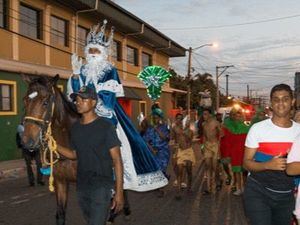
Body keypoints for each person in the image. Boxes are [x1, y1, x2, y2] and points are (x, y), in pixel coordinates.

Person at [67, 20, 167, 192]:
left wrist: (94, 102)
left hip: (105, 108)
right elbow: (75, 94)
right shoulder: (82, 70)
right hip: (83, 105)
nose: (92, 53)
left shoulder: (109, 70)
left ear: (103, 53)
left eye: (96, 50)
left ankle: (115, 173)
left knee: (119, 137)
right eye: (90, 50)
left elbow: (109, 95)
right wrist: (76, 76)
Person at [56, 86, 124, 225]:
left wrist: (119, 192)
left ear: (93, 102)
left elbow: (117, 160)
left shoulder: (105, 126)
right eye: (76, 100)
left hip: (101, 186)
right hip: (82, 187)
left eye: (83, 99)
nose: (78, 102)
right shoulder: (75, 128)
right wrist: (54, 145)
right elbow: (74, 154)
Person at [243, 84, 300, 225]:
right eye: (276, 99)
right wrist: (267, 165)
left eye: (285, 99)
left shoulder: (299, 131)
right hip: (258, 191)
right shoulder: (258, 129)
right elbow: (246, 163)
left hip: (287, 194)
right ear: (271, 103)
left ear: (292, 101)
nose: (281, 103)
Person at [142, 107, 170, 197]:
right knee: (155, 169)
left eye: (157, 118)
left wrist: (156, 129)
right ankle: (161, 182)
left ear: (160, 118)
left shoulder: (164, 127)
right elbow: (145, 141)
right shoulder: (149, 129)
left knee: (161, 169)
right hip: (153, 152)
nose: (155, 119)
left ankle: (161, 189)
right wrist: (151, 149)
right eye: (154, 118)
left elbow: (165, 138)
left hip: (163, 151)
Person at [171, 113, 196, 198]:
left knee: (189, 170)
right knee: (180, 170)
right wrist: (174, 147)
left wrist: (185, 132)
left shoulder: (189, 130)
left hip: (188, 151)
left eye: (181, 119)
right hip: (180, 151)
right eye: (178, 118)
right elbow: (172, 139)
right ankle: (178, 191)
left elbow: (190, 140)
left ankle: (189, 187)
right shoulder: (174, 128)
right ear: (176, 119)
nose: (179, 120)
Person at [201, 108, 222, 194]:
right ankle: (208, 188)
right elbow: (204, 136)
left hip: (215, 145)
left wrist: (219, 145)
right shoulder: (203, 124)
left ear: (210, 115)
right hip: (207, 145)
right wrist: (202, 146)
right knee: (207, 166)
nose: (204, 116)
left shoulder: (216, 123)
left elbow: (222, 134)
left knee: (215, 166)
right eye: (203, 114)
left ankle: (218, 181)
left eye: (205, 114)